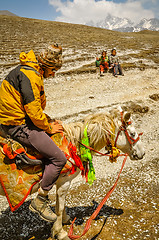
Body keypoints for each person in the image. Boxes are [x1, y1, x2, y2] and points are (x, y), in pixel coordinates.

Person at [0, 44, 67, 222]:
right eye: (53, 70)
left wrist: (47, 122)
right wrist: (48, 127)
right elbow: (34, 112)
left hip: (15, 119)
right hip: (16, 125)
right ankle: (41, 200)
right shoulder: (30, 75)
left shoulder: (29, 70)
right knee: (59, 158)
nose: (53, 74)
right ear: (46, 66)